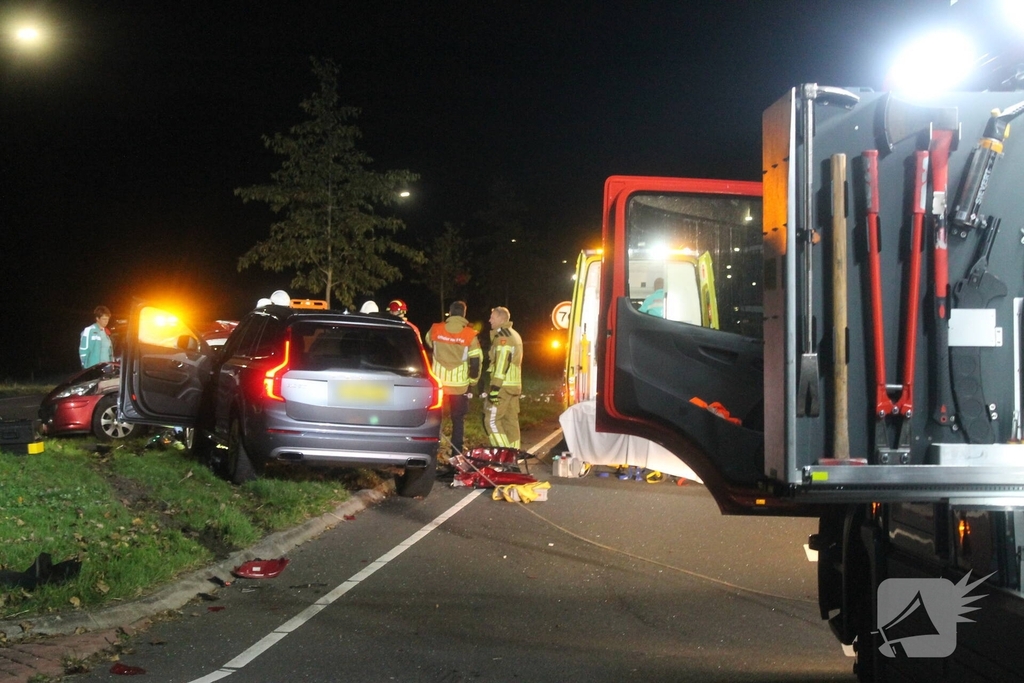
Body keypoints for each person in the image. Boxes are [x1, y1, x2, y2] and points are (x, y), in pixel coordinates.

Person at [425, 301, 483, 458]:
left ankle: (431, 453)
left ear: (450, 312)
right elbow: (476, 360)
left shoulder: (435, 329)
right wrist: (473, 380)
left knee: (434, 419)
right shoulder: (470, 334)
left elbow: (428, 342)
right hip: (459, 386)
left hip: (439, 385)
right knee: (458, 421)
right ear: (464, 314)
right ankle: (456, 455)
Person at [483, 306, 524, 449]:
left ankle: (504, 457)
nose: (489, 320)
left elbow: (501, 364)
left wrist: (494, 388)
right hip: (513, 385)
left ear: (501, 319)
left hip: (503, 386)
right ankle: (514, 457)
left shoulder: (503, 337)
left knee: (491, 421)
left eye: (492, 317)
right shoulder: (514, 334)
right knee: (510, 422)